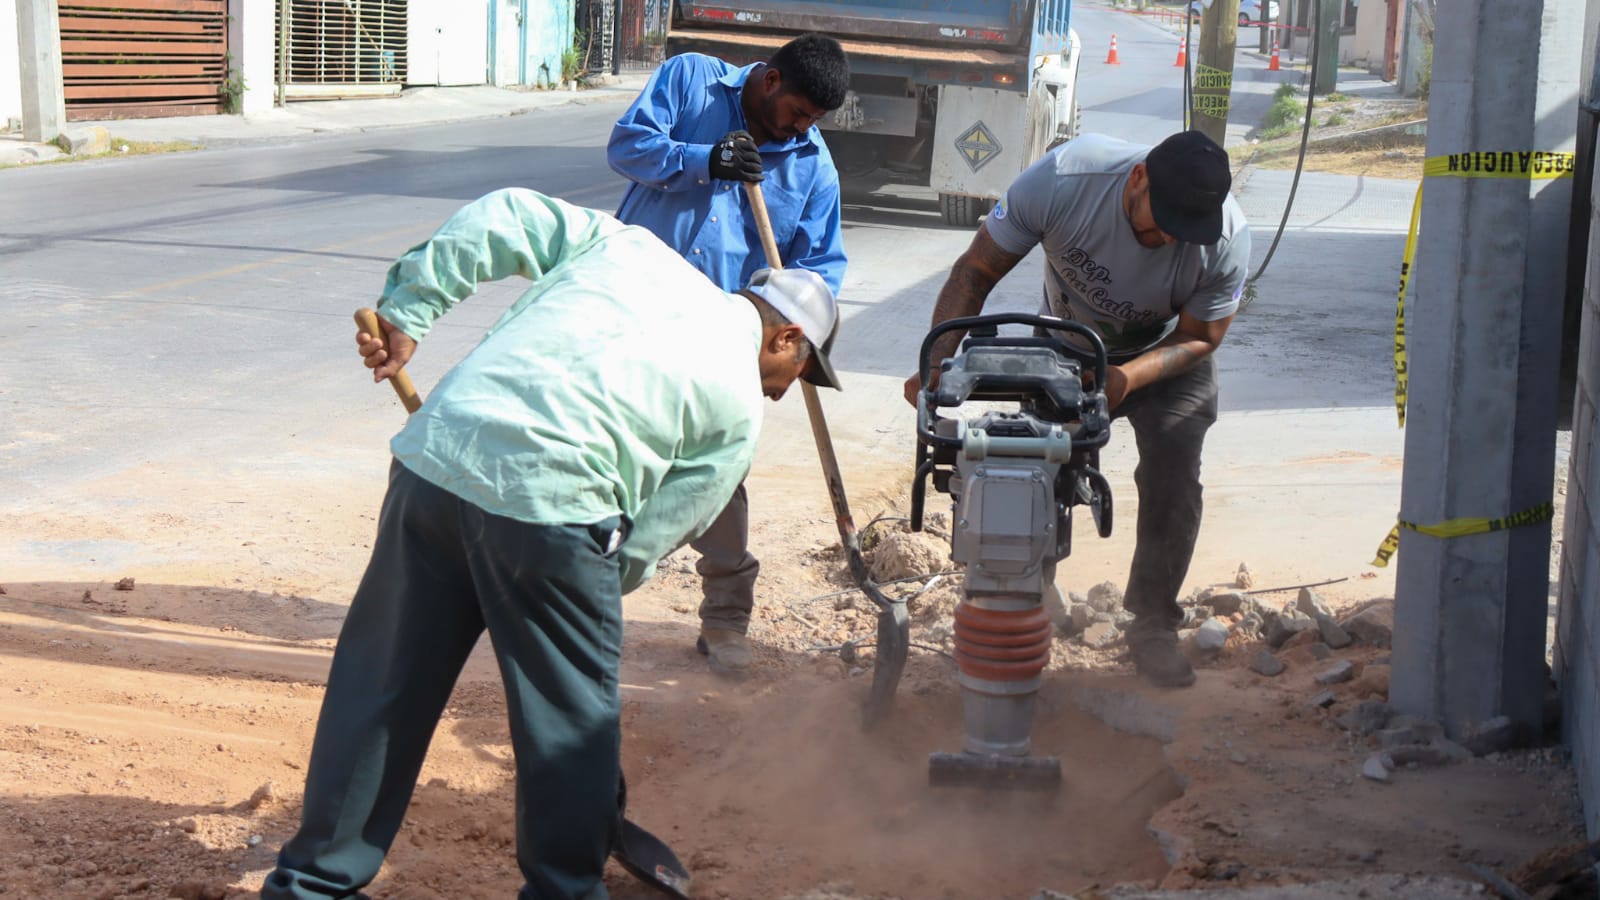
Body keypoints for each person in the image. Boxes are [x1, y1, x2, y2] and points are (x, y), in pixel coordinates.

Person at [260, 187, 841, 900]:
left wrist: (409, 311)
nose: (786, 391)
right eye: (801, 372)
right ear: (786, 338)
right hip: (556, 513)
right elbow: (652, 535)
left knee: (380, 691)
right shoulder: (740, 408)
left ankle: (310, 885)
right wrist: (581, 631)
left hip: (435, 466)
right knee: (568, 734)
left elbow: (505, 215)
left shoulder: (628, 248)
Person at [902, 130, 1251, 689]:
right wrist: (940, 362)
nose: (1165, 239)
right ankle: (1018, 603)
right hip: (1066, 349)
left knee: (1174, 473)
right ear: (1137, 178)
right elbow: (975, 272)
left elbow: (1201, 337)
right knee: (1034, 468)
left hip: (1164, 358)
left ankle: (1153, 626)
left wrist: (1126, 377)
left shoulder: (1227, 238)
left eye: (1181, 232)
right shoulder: (1065, 180)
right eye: (1159, 221)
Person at [606, 32, 851, 677]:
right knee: (603, 454)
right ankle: (573, 595)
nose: (803, 128)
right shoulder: (690, 81)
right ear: (770, 81)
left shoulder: (811, 164)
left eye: (814, 121)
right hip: (631, 312)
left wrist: (794, 329)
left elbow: (819, 269)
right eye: (798, 112)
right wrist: (702, 159)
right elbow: (626, 147)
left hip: (722, 337)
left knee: (720, 471)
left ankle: (725, 622)